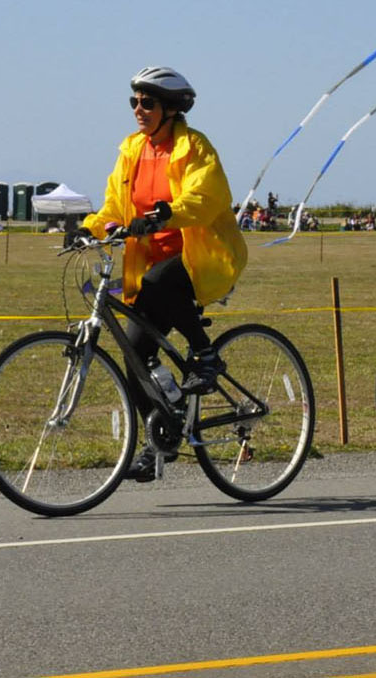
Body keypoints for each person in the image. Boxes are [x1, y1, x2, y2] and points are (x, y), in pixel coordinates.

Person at [74, 66, 248, 482]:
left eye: (147, 103)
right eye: (134, 101)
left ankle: (206, 355)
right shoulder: (132, 150)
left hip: (199, 255)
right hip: (149, 264)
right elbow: (115, 206)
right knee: (134, 355)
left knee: (161, 282)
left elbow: (206, 198)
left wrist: (167, 214)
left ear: (170, 109)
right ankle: (162, 439)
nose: (138, 109)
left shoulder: (194, 147)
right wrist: (89, 228)